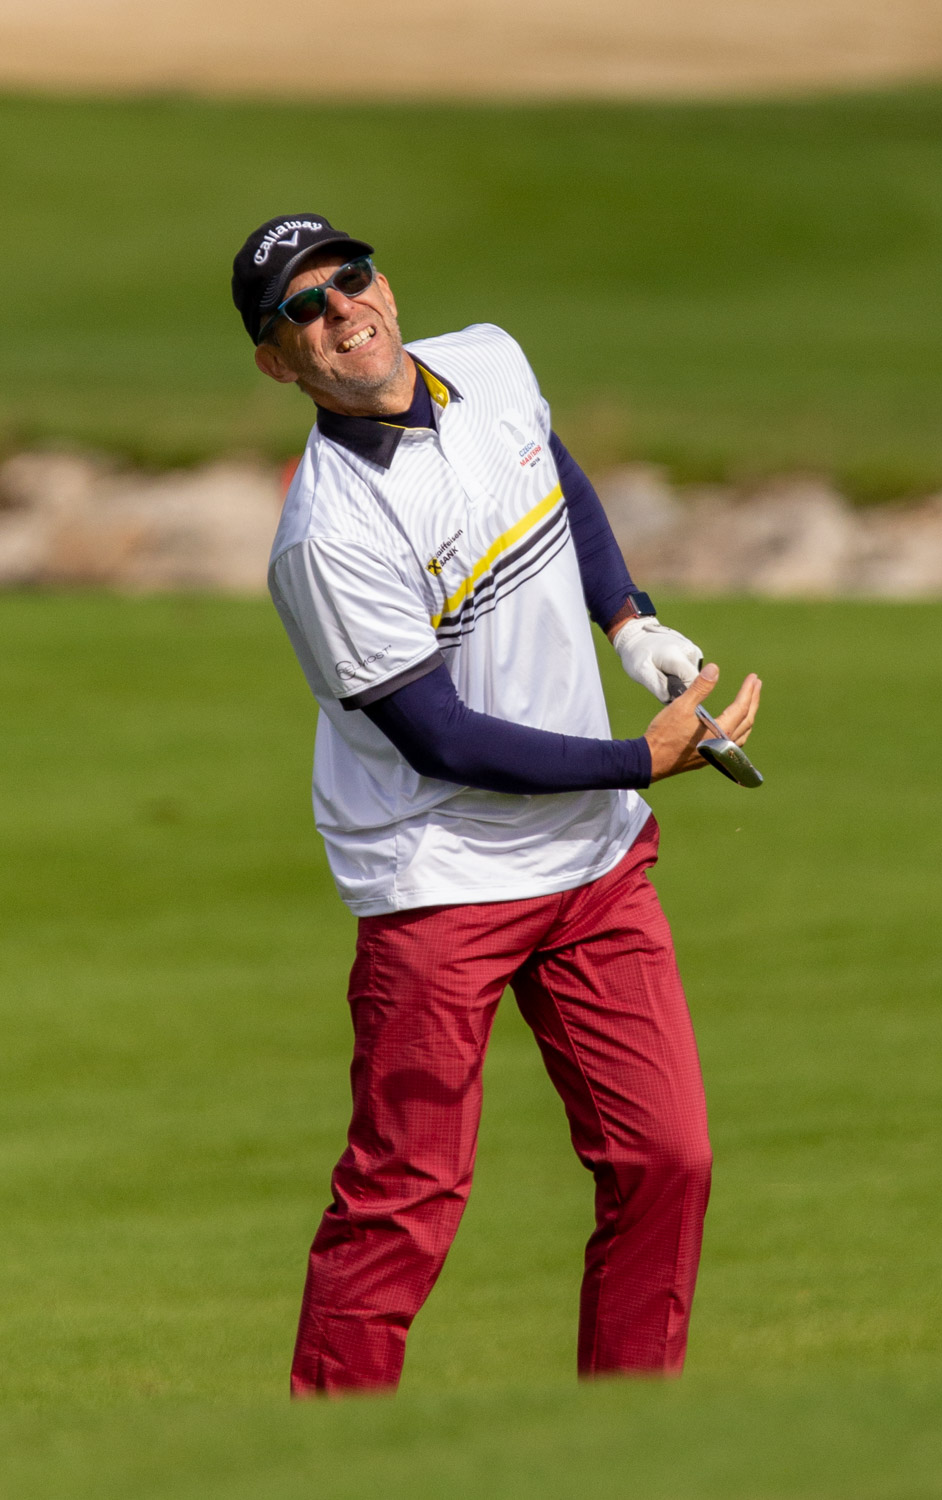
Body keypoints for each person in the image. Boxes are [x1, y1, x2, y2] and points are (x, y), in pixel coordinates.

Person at [231, 213, 761, 1396]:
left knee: (666, 1160)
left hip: (591, 867)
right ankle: (323, 1459)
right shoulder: (327, 537)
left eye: (350, 279)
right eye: (303, 310)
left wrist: (629, 622)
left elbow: (551, 469)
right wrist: (641, 760)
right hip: (440, 882)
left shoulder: (489, 360)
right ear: (276, 362)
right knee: (403, 1200)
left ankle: (625, 1444)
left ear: (384, 285)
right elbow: (441, 739)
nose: (340, 311)